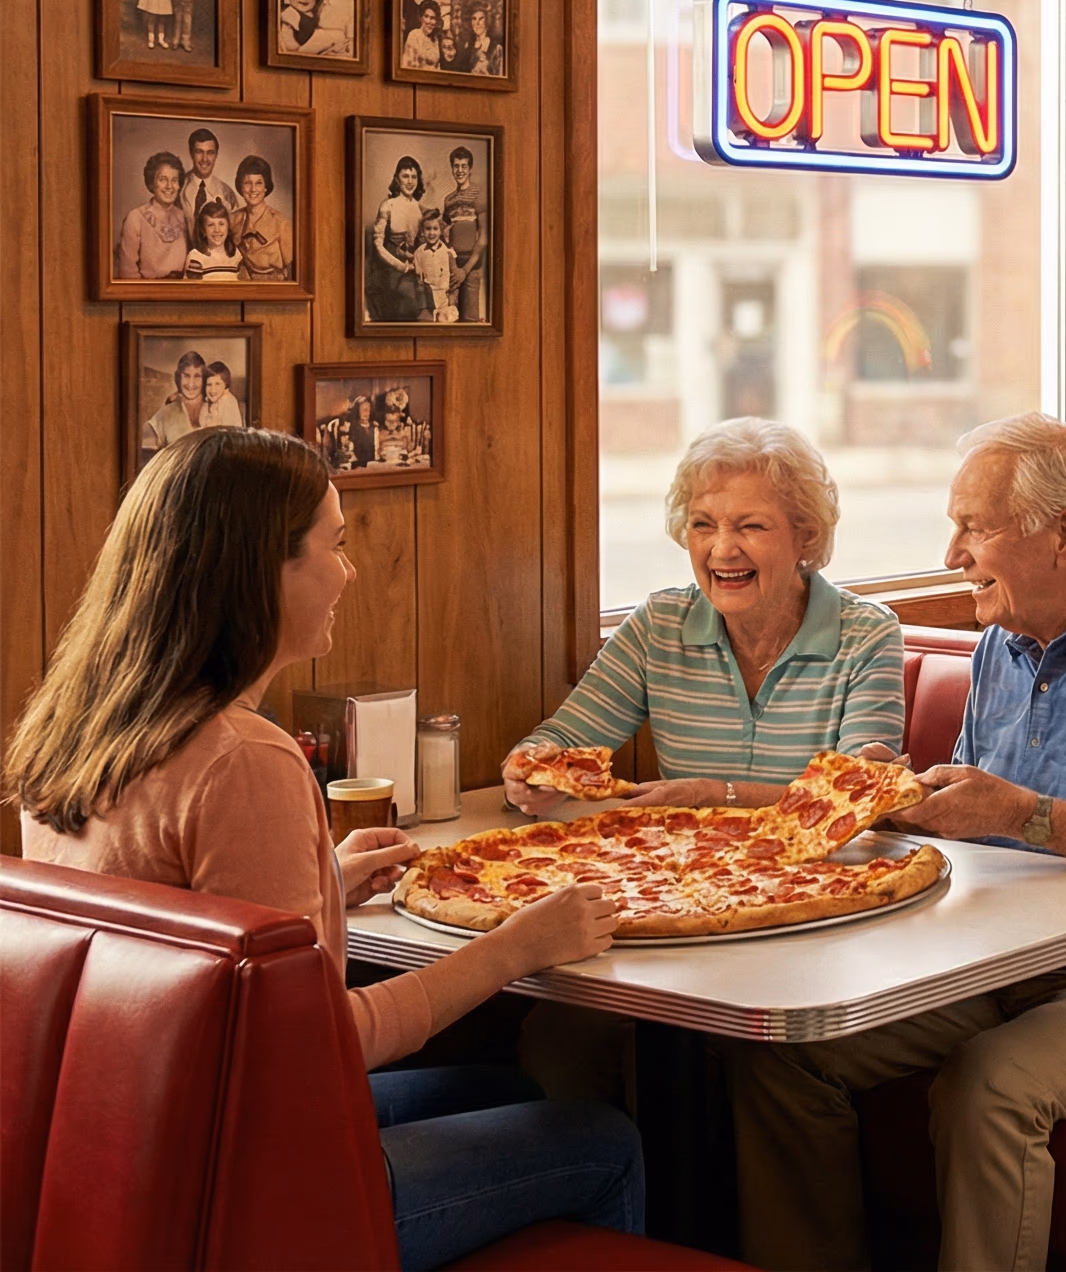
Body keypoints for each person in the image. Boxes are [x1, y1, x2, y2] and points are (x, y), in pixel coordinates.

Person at [4, 428, 644, 1269]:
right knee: (602, 1138)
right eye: (335, 545)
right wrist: (517, 947)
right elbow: (317, 1046)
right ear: (260, 571)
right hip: (243, 1199)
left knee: (509, 1087)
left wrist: (323, 888)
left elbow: (173, 947)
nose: (349, 572)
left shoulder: (74, 730)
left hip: (126, 1154)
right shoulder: (244, 757)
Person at [726, 414, 1066, 1272]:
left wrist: (1021, 814)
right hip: (998, 972)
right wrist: (900, 805)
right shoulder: (1001, 646)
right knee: (787, 1062)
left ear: (1065, 533)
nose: (952, 554)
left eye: (974, 528)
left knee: (988, 1085)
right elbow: (978, 824)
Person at [504, 417, 906, 814]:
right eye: (703, 525)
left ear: (807, 536)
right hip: (682, 855)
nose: (722, 549)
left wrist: (712, 794)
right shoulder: (658, 626)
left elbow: (856, 798)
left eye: (752, 526)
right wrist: (530, 773)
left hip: (818, 857)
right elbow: (562, 740)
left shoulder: (867, 636)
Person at [366, 153, 428, 322]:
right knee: (406, 302)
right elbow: (378, 246)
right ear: (397, 179)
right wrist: (402, 267)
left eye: (414, 177)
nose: (410, 181)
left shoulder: (420, 209)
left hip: (414, 268)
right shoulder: (388, 206)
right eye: (405, 176)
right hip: (390, 270)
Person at [116, 150, 189, 280]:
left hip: (182, 290)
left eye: (174, 180)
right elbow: (127, 274)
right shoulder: (135, 218)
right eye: (162, 179)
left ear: (179, 185)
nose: (169, 186)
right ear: (152, 183)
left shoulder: (185, 218)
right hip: (145, 292)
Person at [442, 145, 487, 323]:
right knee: (451, 317)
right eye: (456, 166)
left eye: (464, 166)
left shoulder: (478, 193)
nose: (459, 170)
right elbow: (445, 234)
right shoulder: (448, 200)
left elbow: (483, 238)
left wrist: (465, 270)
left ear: (470, 169)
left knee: (469, 320)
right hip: (452, 266)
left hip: (471, 265)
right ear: (452, 168)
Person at [232, 154, 290, 281]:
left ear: (265, 187)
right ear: (241, 187)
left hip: (272, 287)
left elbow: (293, 271)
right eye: (247, 183)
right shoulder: (232, 220)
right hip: (241, 286)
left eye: (258, 183)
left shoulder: (282, 223)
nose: (253, 189)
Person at [141, 349, 210, 451]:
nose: (191, 384)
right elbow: (144, 448)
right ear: (178, 378)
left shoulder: (216, 408)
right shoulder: (165, 413)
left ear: (204, 379)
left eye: (197, 376)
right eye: (186, 376)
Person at [410, 210, 459, 322]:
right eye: (428, 229)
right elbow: (418, 282)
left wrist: (452, 302)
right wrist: (423, 307)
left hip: (445, 300)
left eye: (435, 229)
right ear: (422, 231)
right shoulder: (419, 253)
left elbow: (454, 281)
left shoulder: (448, 253)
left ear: (440, 230)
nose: (431, 233)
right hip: (428, 300)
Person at [184, 200, 242, 280]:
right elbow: (192, 287)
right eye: (211, 225)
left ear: (228, 227)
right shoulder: (196, 257)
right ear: (203, 230)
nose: (217, 230)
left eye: (221, 224)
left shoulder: (236, 255)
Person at [194, 361, 244, 429]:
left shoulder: (228, 401)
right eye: (209, 384)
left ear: (225, 385)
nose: (212, 389)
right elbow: (202, 424)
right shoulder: (208, 402)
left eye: (217, 384)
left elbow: (226, 432)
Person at [403, 0, 442, 70]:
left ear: (436, 21)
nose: (429, 21)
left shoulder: (436, 39)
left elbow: (438, 66)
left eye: (432, 18)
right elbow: (407, 64)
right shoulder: (414, 35)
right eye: (426, 16)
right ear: (421, 18)